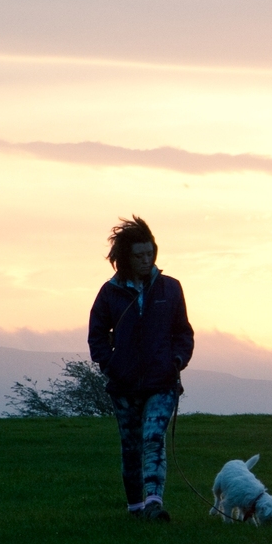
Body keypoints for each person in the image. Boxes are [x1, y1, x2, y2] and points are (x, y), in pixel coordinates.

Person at [87, 216, 194, 521]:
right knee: (131, 447)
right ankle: (135, 507)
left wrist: (176, 361)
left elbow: (183, 333)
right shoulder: (109, 294)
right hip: (123, 386)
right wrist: (111, 365)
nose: (146, 260)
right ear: (124, 258)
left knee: (152, 438)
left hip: (163, 381)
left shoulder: (171, 289)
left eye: (150, 253)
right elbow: (97, 336)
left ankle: (153, 504)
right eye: (139, 255)